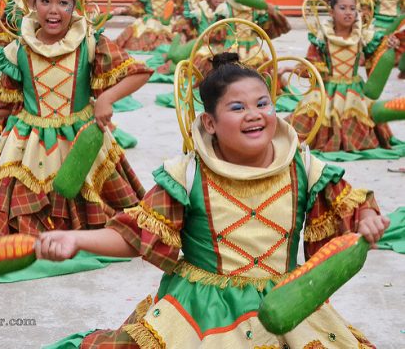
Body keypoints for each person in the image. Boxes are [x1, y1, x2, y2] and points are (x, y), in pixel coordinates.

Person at [37, 53, 388, 348]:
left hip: (288, 306)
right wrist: (76, 239)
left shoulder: (305, 166)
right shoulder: (186, 175)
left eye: (262, 103)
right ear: (210, 122)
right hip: (201, 314)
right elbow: (135, 237)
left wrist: (368, 218)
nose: (254, 113)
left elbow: (353, 206)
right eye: (238, 107)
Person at [0, 0, 153, 253]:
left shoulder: (89, 42)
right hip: (26, 145)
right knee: (8, 216)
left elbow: (139, 73)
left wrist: (106, 98)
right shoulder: (19, 48)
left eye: (63, 2)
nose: (54, 10)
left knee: (116, 217)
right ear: (32, 3)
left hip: (80, 141)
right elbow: (6, 104)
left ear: (74, 6)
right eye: (46, 1)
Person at [285, 0, 401, 153]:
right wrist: (291, 69)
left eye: (353, 9)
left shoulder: (363, 36)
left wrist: (388, 46)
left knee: (359, 118)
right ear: (332, 12)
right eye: (343, 8)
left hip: (355, 91)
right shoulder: (322, 39)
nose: (348, 12)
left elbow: (376, 58)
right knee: (315, 117)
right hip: (327, 90)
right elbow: (311, 67)